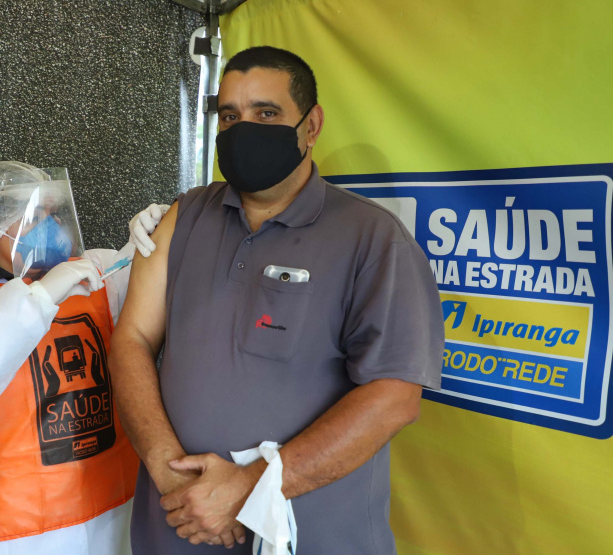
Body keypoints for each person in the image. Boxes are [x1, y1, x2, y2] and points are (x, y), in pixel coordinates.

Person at [110, 46, 445, 554]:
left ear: (311, 126)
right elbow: (132, 338)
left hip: (310, 536)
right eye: (230, 116)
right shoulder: (185, 216)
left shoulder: (373, 239)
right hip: (177, 525)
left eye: (266, 113)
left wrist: (249, 488)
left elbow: (395, 398)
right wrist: (169, 472)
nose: (244, 129)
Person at [0, 161, 167, 555]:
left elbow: (155, 286)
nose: (50, 226)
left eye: (53, 213)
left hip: (107, 509)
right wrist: (40, 297)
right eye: (34, 216)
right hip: (4, 526)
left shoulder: (94, 273)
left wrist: (158, 233)